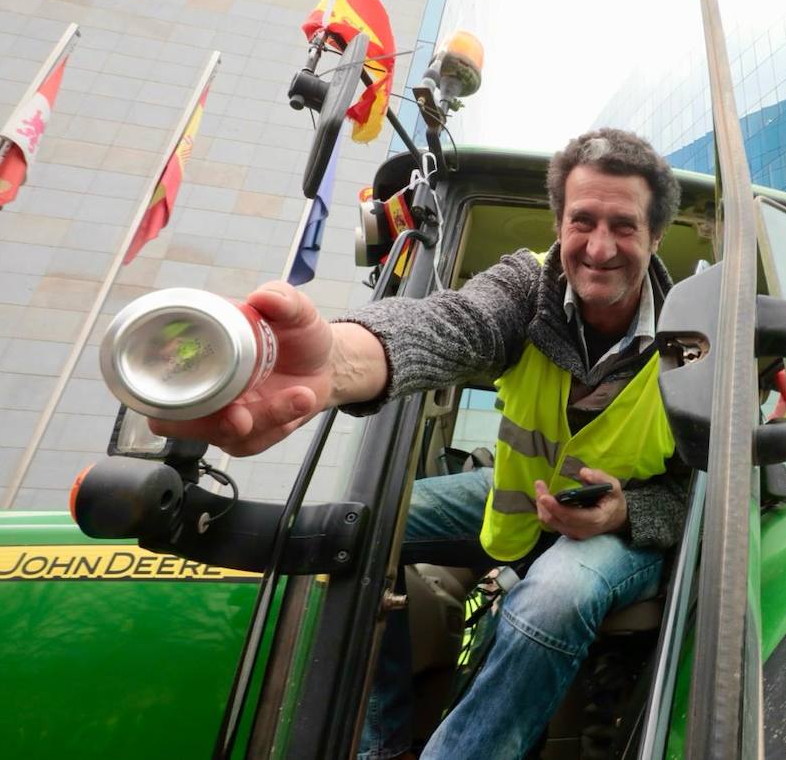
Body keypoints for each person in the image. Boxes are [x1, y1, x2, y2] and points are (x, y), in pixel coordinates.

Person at [150, 128, 687, 760]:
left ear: (654, 237)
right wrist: (338, 363)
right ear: (559, 223)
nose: (599, 246)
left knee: (556, 596)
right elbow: (449, 324)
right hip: (517, 497)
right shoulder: (526, 288)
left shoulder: (693, 341)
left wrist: (625, 510)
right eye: (582, 221)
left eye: (623, 226)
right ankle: (382, 743)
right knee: (362, 527)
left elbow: (702, 493)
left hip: (623, 526)